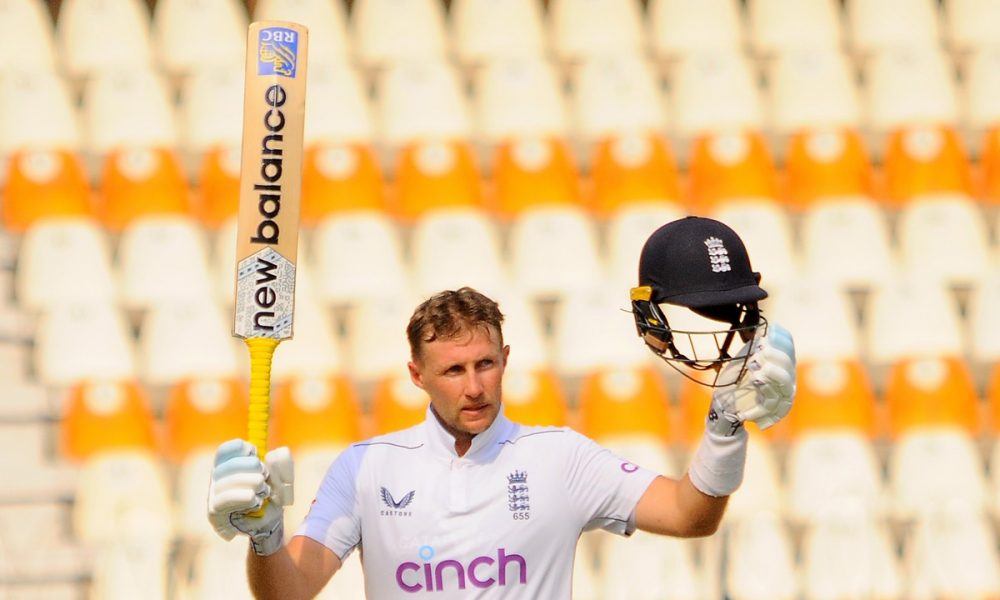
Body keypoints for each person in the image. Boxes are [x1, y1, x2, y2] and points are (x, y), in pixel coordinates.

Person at [207, 216, 797, 599]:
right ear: (417, 375)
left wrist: (726, 429)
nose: (474, 387)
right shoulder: (365, 469)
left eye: (485, 364)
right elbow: (288, 591)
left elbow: (690, 516)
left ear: (506, 357)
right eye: (454, 371)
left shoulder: (559, 457)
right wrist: (265, 540)